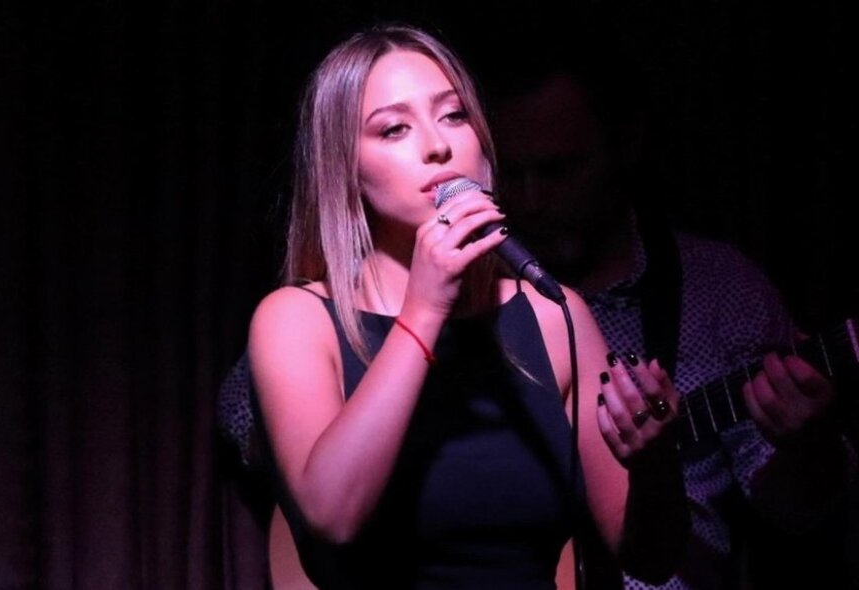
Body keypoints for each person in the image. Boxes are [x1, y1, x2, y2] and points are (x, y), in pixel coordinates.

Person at [241, 23, 690, 590]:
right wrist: (423, 310)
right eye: (394, 129)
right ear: (346, 169)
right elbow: (332, 516)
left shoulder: (554, 316)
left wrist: (654, 464)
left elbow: (649, 558)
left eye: (454, 115)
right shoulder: (297, 320)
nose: (438, 145)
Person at [488, 47, 858, 589]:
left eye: (558, 170)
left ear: (625, 146)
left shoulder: (719, 289)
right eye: (510, 175)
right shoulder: (468, 298)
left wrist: (809, 444)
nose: (531, 200)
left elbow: (795, 513)